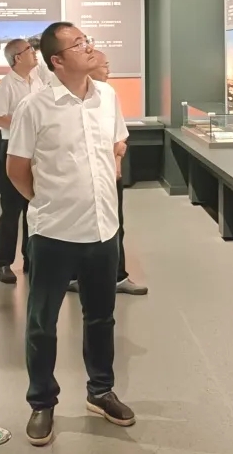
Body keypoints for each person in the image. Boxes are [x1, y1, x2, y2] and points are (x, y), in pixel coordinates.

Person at [7, 22, 134, 447]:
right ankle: (42, 401)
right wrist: (46, 202)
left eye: (86, 40)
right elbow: (17, 169)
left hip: (103, 229)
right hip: (54, 233)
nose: (88, 47)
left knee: (101, 317)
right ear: (57, 61)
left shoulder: (107, 97)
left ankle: (101, 391)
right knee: (42, 323)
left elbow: (116, 145)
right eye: (78, 44)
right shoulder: (35, 107)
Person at [67, 50, 147, 296]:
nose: (108, 70)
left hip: (108, 175)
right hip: (81, 179)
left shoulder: (108, 95)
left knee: (114, 225)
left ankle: (116, 276)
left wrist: (117, 162)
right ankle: (77, 276)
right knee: (78, 226)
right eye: (104, 65)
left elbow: (119, 136)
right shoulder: (60, 100)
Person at [0, 38, 43, 284]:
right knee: (11, 209)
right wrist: (25, 125)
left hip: (35, 150)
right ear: (17, 58)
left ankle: (31, 259)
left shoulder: (37, 81)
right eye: (30, 50)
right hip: (12, 148)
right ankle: (2, 263)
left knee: (33, 205)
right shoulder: (6, 86)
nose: (34, 53)